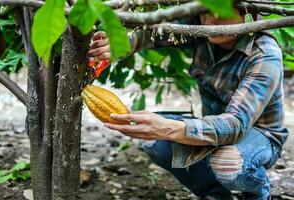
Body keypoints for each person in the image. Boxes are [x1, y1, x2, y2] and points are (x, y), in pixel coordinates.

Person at [88, 9, 288, 200]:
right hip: (212, 127)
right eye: (206, 11)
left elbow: (235, 124)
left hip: (259, 136)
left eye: (223, 13)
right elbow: (153, 34)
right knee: (152, 141)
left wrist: (167, 128)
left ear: (248, 15)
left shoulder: (264, 54)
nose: (211, 20)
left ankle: (257, 193)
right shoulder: (200, 30)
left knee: (228, 164)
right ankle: (214, 193)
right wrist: (120, 43)